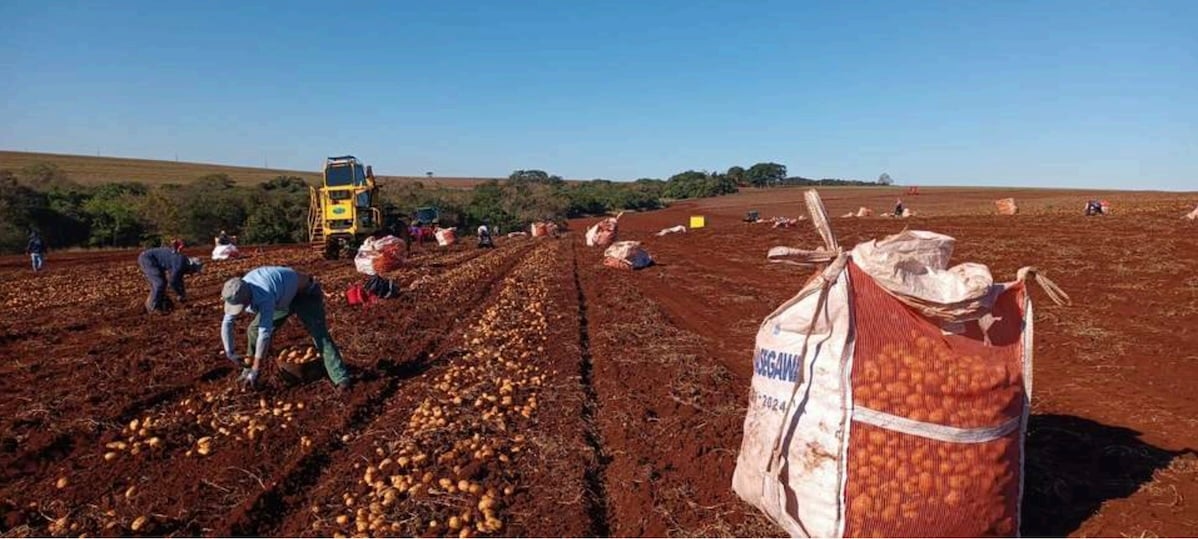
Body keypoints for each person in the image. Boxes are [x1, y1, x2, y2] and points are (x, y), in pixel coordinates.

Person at [221, 266, 351, 392]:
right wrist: (230, 353)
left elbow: (264, 333)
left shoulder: (264, 294)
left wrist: (257, 367)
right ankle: (248, 372)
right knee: (253, 330)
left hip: (305, 294)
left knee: (319, 335)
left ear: (247, 297)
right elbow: (227, 322)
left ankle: (341, 378)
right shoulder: (237, 292)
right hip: (282, 299)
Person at [138, 247, 203, 313]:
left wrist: (182, 294)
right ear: (191, 266)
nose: (191, 273)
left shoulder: (182, 262)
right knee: (159, 284)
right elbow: (173, 281)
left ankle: (156, 303)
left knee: (162, 283)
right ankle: (152, 307)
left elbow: (178, 279)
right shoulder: (180, 264)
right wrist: (180, 294)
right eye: (194, 271)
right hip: (147, 259)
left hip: (153, 260)